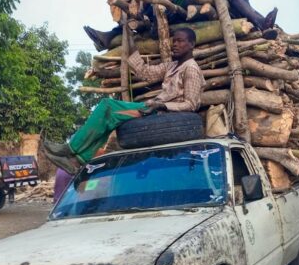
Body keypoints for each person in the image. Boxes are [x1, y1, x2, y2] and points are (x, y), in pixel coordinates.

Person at [43, 27, 205, 174]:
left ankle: (71, 149)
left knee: (108, 109)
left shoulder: (191, 69)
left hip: (162, 113)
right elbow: (144, 72)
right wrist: (131, 41)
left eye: (180, 41)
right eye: (173, 40)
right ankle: (77, 160)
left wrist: (162, 104)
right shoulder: (172, 66)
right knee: (108, 113)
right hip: (152, 108)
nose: (175, 44)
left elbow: (191, 104)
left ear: (191, 44)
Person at [84, 0, 278, 51]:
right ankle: (110, 36)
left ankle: (260, 22)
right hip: (177, 10)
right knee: (150, 8)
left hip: (207, 8)